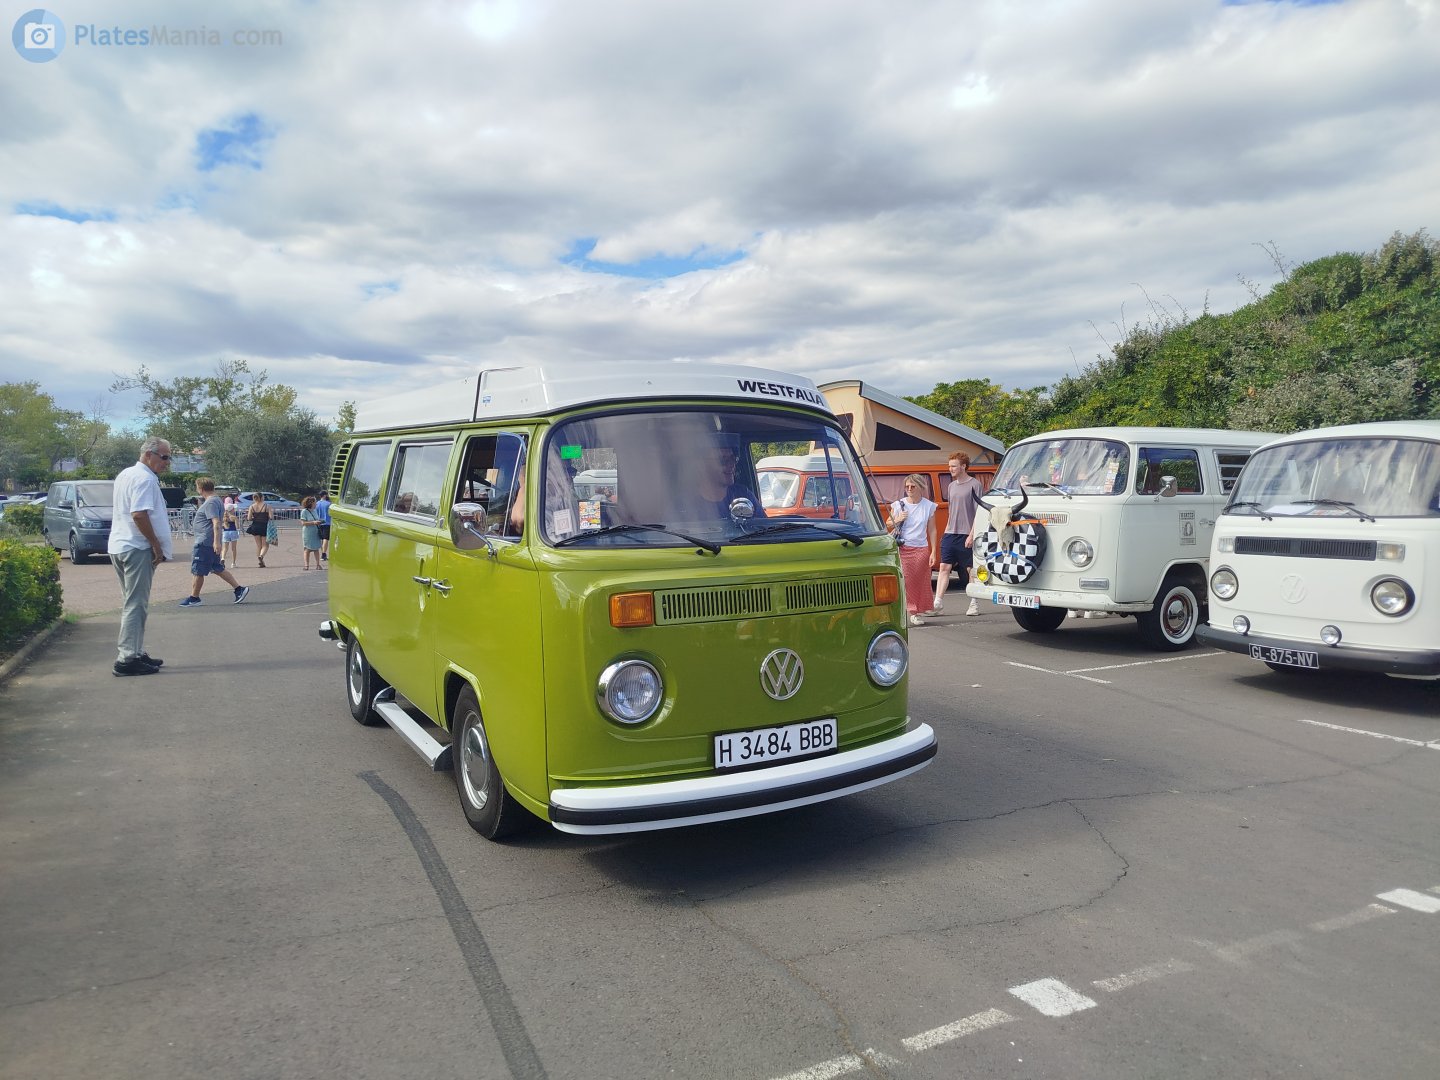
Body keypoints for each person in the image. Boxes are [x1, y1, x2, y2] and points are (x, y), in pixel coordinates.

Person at [106, 436, 174, 676]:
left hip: (119, 545)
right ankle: (126, 659)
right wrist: (155, 544)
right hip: (136, 546)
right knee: (136, 604)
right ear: (149, 454)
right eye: (164, 457)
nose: (167, 462)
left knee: (131, 602)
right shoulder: (145, 479)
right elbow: (139, 514)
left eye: (169, 457)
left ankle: (135, 651)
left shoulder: (126, 474)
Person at [180, 478, 251, 607]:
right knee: (217, 568)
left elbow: (216, 522)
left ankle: (194, 597)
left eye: (197, 487)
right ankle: (239, 589)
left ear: (200, 488)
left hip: (205, 542)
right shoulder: (215, 500)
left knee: (198, 569)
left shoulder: (211, 502)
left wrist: (216, 542)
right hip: (208, 541)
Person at [930, 452, 984, 617]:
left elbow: (979, 512)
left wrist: (972, 534)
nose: (950, 469)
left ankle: (974, 603)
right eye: (949, 466)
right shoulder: (951, 486)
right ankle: (937, 602)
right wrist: (946, 531)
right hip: (950, 533)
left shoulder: (975, 485)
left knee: (969, 569)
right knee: (943, 567)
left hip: (966, 533)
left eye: (953, 466)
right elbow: (952, 511)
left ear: (963, 466)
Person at [886, 474, 938, 627]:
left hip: (921, 547)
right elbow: (888, 524)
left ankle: (916, 611)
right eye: (907, 486)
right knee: (906, 581)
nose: (909, 489)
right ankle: (911, 611)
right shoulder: (899, 505)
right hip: (903, 546)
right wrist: (898, 518)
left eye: (912, 486)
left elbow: (932, 530)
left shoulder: (929, 506)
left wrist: (934, 551)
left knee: (920, 581)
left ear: (921, 487)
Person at [245, 492, 270, 567]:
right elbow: (271, 517)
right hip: (264, 526)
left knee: (259, 545)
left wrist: (255, 518)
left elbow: (249, 518)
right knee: (265, 545)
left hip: (255, 526)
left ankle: (260, 562)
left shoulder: (252, 506)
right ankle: (261, 556)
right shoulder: (267, 506)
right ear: (262, 497)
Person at [299, 496, 323, 569]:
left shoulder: (315, 511)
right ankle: (306, 565)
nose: (316, 504)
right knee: (307, 549)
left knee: (316, 548)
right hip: (308, 532)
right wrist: (313, 522)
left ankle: (318, 565)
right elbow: (303, 523)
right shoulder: (304, 511)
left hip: (315, 532)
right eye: (315, 502)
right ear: (311, 503)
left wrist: (320, 521)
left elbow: (316, 519)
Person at [221, 499, 240, 567]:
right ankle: (233, 563)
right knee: (233, 548)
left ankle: (223, 558)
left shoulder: (224, 517)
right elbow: (237, 526)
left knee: (225, 548)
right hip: (233, 532)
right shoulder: (234, 517)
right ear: (232, 510)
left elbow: (223, 526)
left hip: (226, 532)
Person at [315, 490, 332, 561]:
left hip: (319, 522)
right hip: (327, 522)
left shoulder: (317, 503)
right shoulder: (329, 504)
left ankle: (323, 553)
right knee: (326, 539)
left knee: (322, 539)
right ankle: (323, 554)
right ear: (325, 495)